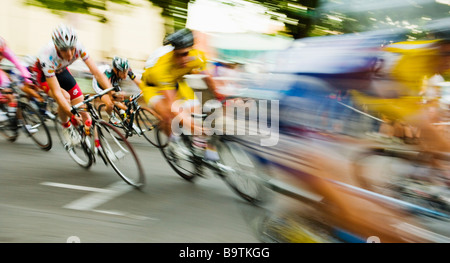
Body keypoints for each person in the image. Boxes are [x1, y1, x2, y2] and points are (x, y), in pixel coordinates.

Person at [140, 28, 225, 161]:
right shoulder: (162, 67)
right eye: (178, 55)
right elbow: (173, 105)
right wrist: (195, 127)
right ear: (173, 51)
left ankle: (200, 146)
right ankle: (172, 142)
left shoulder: (197, 56)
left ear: (191, 49)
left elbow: (208, 78)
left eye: (185, 54)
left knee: (195, 111)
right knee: (169, 114)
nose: (183, 59)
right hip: (153, 86)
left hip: (178, 81)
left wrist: (220, 97)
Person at [31, 24, 114, 145]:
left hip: (62, 70)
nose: (69, 54)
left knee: (82, 107)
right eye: (64, 50)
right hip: (44, 75)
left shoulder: (79, 47)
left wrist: (112, 92)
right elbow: (57, 93)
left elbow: (96, 72)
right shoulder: (47, 56)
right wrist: (71, 114)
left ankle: (93, 143)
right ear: (56, 47)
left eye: (72, 48)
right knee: (65, 97)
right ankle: (66, 127)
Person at [0, 36, 38, 132]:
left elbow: (19, 64)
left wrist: (28, 78)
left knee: (12, 94)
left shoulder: (6, 50)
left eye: (1, 53)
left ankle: (21, 124)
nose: (0, 57)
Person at [92, 56, 140, 126]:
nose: (125, 75)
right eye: (122, 72)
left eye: (126, 72)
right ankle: (111, 116)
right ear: (115, 70)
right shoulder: (109, 76)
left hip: (113, 81)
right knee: (110, 103)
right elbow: (113, 98)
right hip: (100, 84)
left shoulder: (127, 70)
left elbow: (137, 82)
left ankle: (126, 120)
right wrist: (126, 109)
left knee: (121, 97)